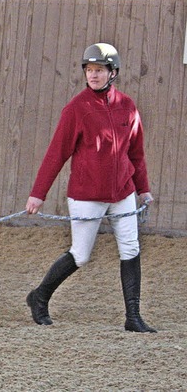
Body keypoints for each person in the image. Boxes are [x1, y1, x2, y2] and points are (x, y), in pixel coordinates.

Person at [24, 43, 156, 333]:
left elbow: (136, 153)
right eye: (89, 70)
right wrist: (38, 193)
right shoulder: (76, 109)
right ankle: (39, 297)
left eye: (99, 70)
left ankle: (133, 316)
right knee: (81, 254)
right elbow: (56, 153)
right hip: (86, 194)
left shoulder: (128, 106)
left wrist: (142, 189)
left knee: (131, 247)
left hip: (122, 192)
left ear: (113, 73)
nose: (93, 75)